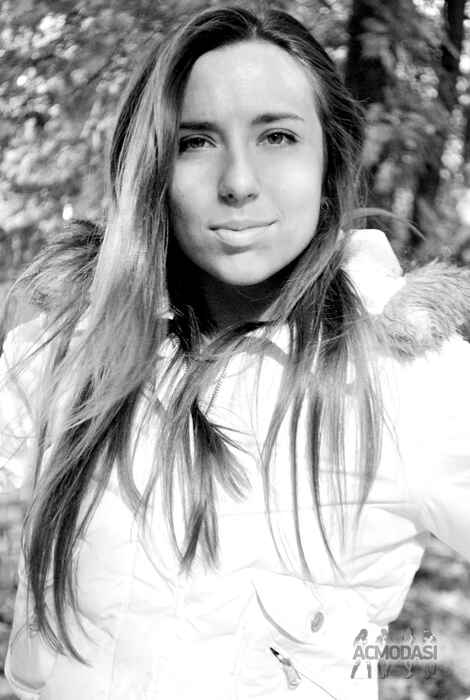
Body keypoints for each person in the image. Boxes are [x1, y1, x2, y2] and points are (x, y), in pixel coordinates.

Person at [1, 5, 469, 700]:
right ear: (152, 167)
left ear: (330, 160)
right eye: (195, 141)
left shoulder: (407, 376)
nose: (239, 182)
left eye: (278, 136)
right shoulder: (71, 344)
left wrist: (364, 662)